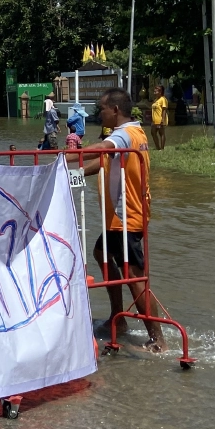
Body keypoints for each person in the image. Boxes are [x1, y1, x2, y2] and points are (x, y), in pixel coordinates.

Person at [81, 88, 164, 352]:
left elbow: (104, 149)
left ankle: (157, 337)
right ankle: (119, 318)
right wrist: (77, 171)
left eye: (102, 109)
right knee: (100, 254)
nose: (100, 113)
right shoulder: (135, 132)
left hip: (126, 217)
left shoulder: (123, 134)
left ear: (115, 110)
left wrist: (66, 153)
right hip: (119, 218)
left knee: (133, 275)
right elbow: (106, 161)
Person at [150, 84, 169, 151]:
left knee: (161, 133)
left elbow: (164, 110)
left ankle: (162, 148)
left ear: (160, 92)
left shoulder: (163, 99)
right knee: (153, 133)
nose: (154, 93)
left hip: (160, 119)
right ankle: (157, 147)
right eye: (154, 91)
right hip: (154, 120)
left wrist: (163, 119)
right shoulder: (156, 100)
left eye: (156, 91)